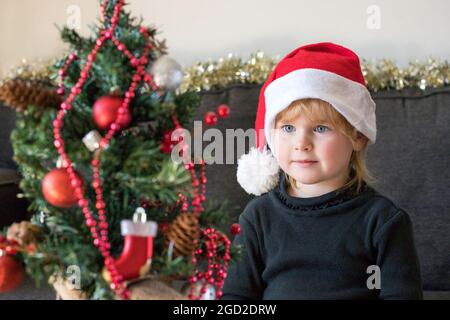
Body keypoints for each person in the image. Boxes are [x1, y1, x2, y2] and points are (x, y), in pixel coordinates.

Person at [221, 42, 423, 300]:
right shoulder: (257, 218)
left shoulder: (383, 221)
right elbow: (236, 299)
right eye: (288, 128)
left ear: (358, 136)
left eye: (320, 128)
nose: (301, 143)